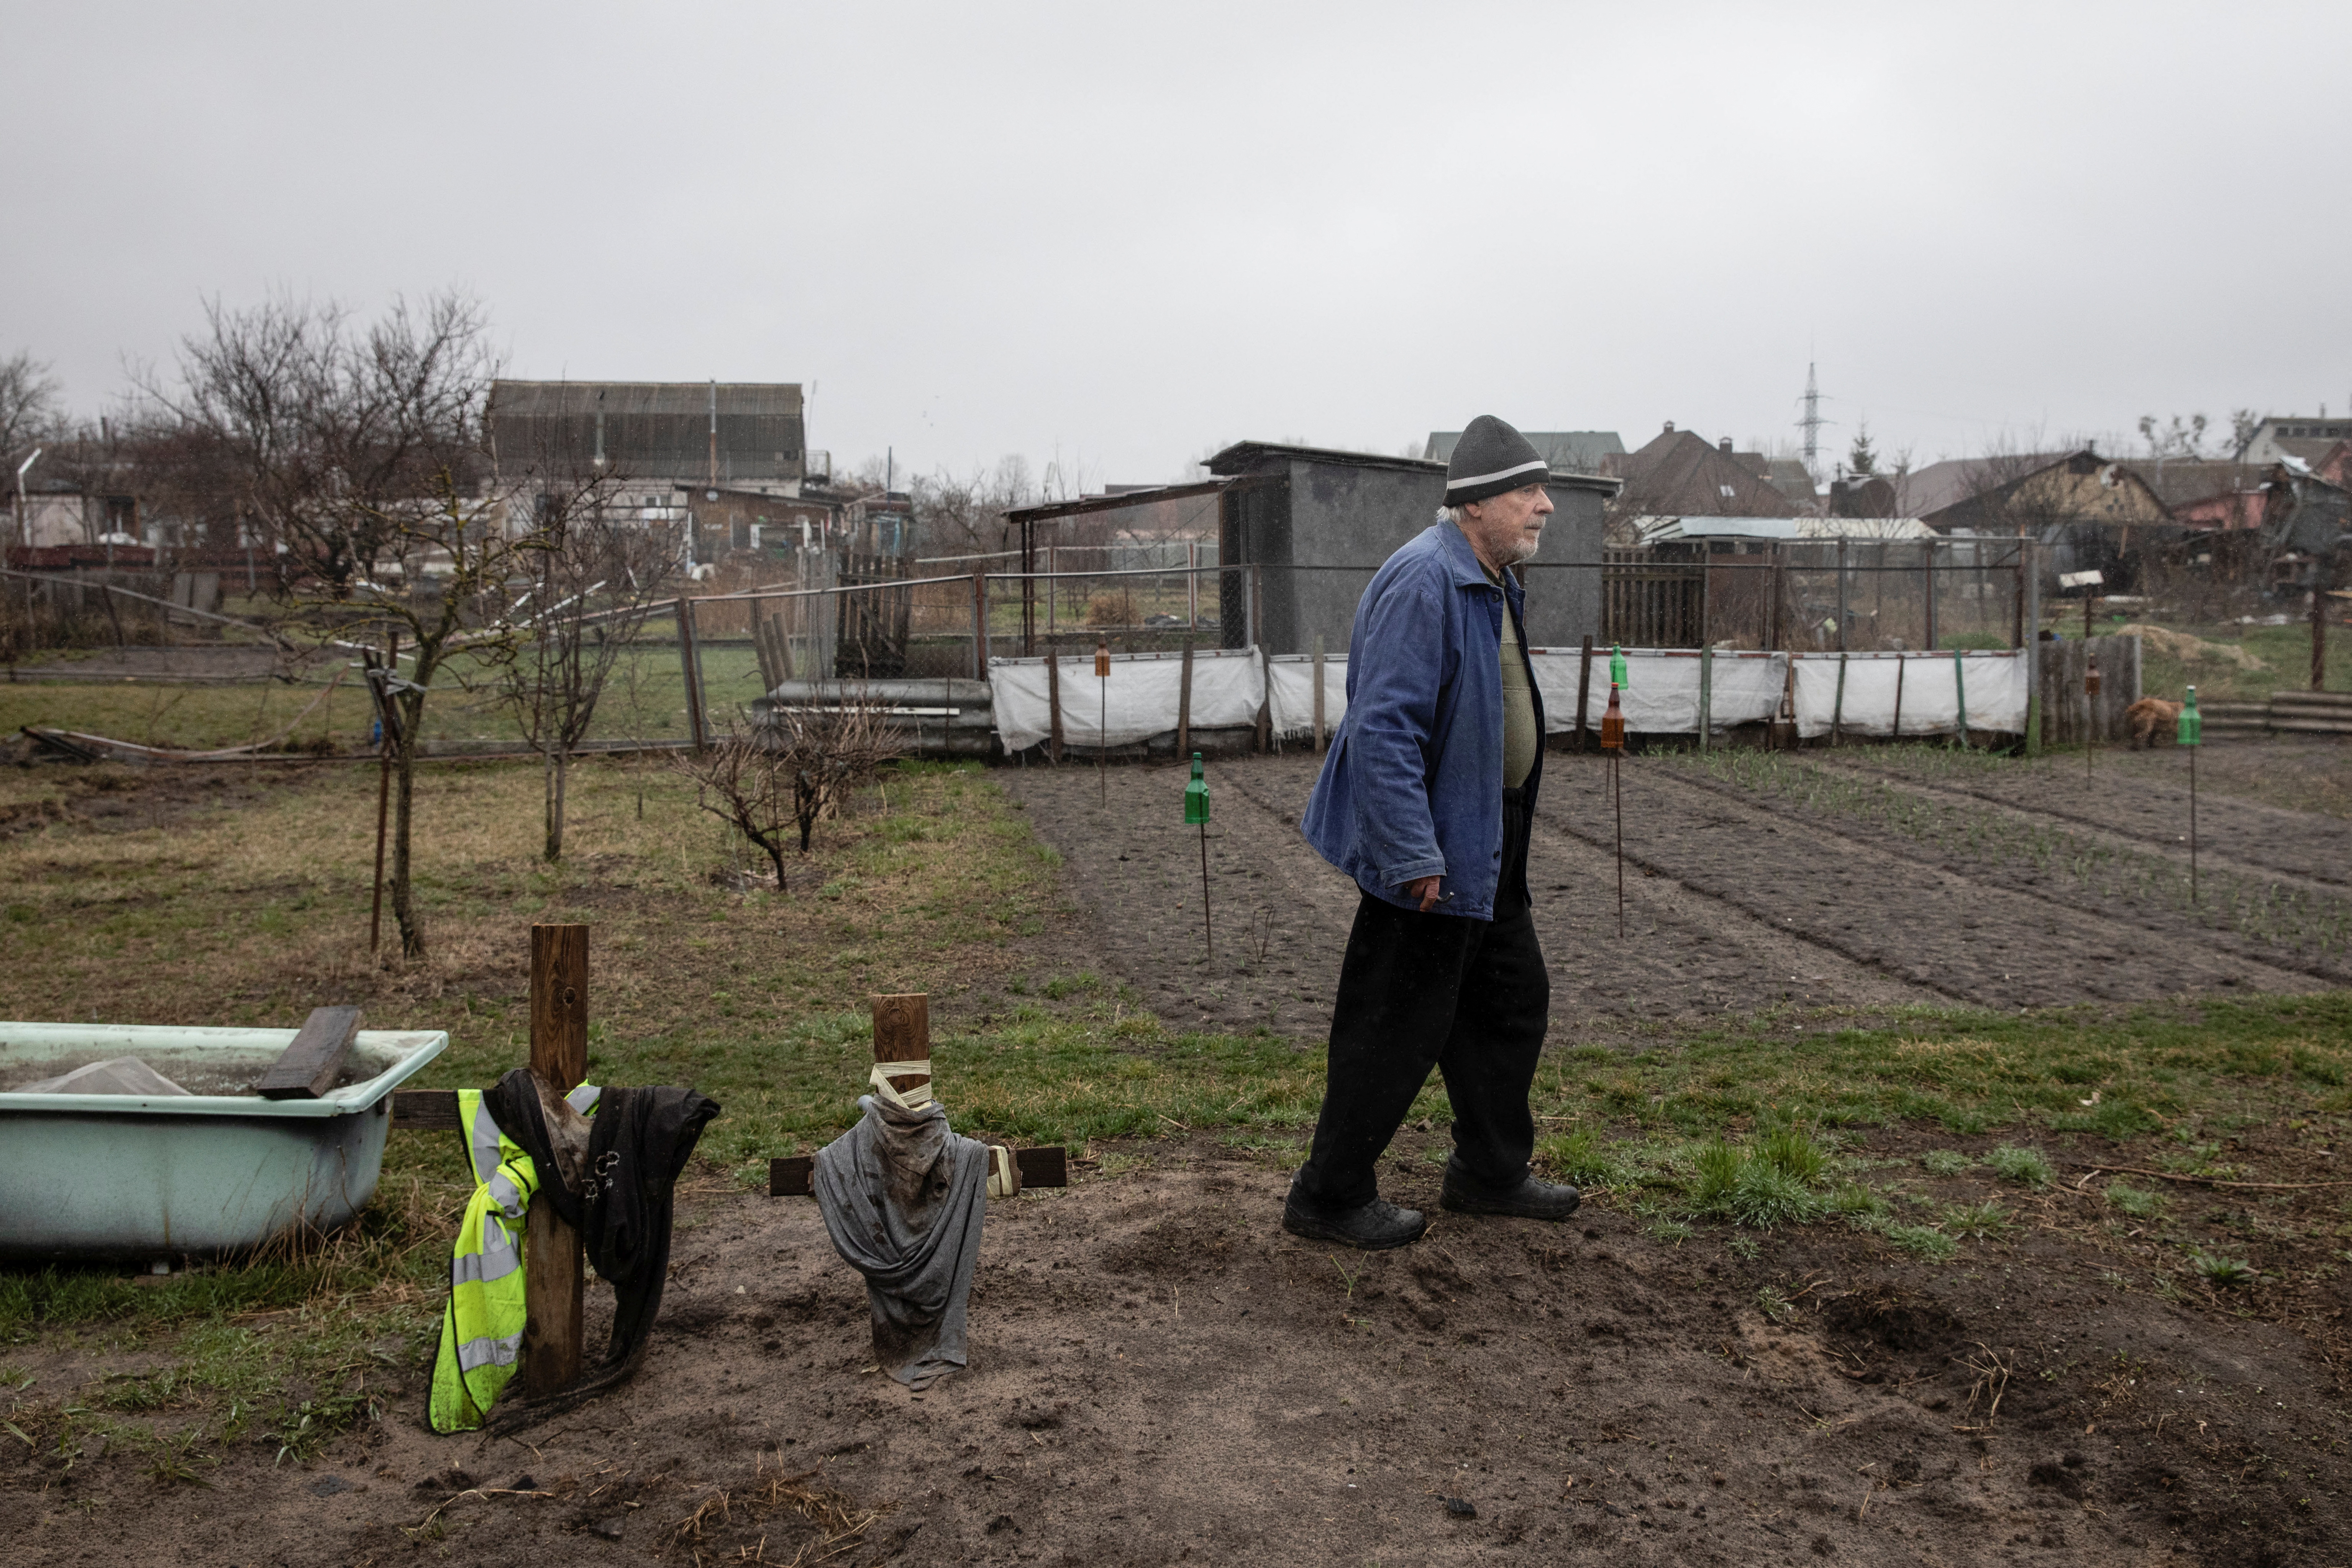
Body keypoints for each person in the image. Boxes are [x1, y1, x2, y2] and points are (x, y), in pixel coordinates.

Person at [1285, 414, 1581, 1250]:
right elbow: (1384, 731)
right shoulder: (1426, 582)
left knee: (1509, 1004)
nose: (1545, 507)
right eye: (1528, 491)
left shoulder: (1487, 576)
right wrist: (1414, 851)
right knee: (1393, 1025)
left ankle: (1489, 1173)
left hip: (1488, 839)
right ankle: (1329, 1195)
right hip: (1435, 848)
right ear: (1478, 502)